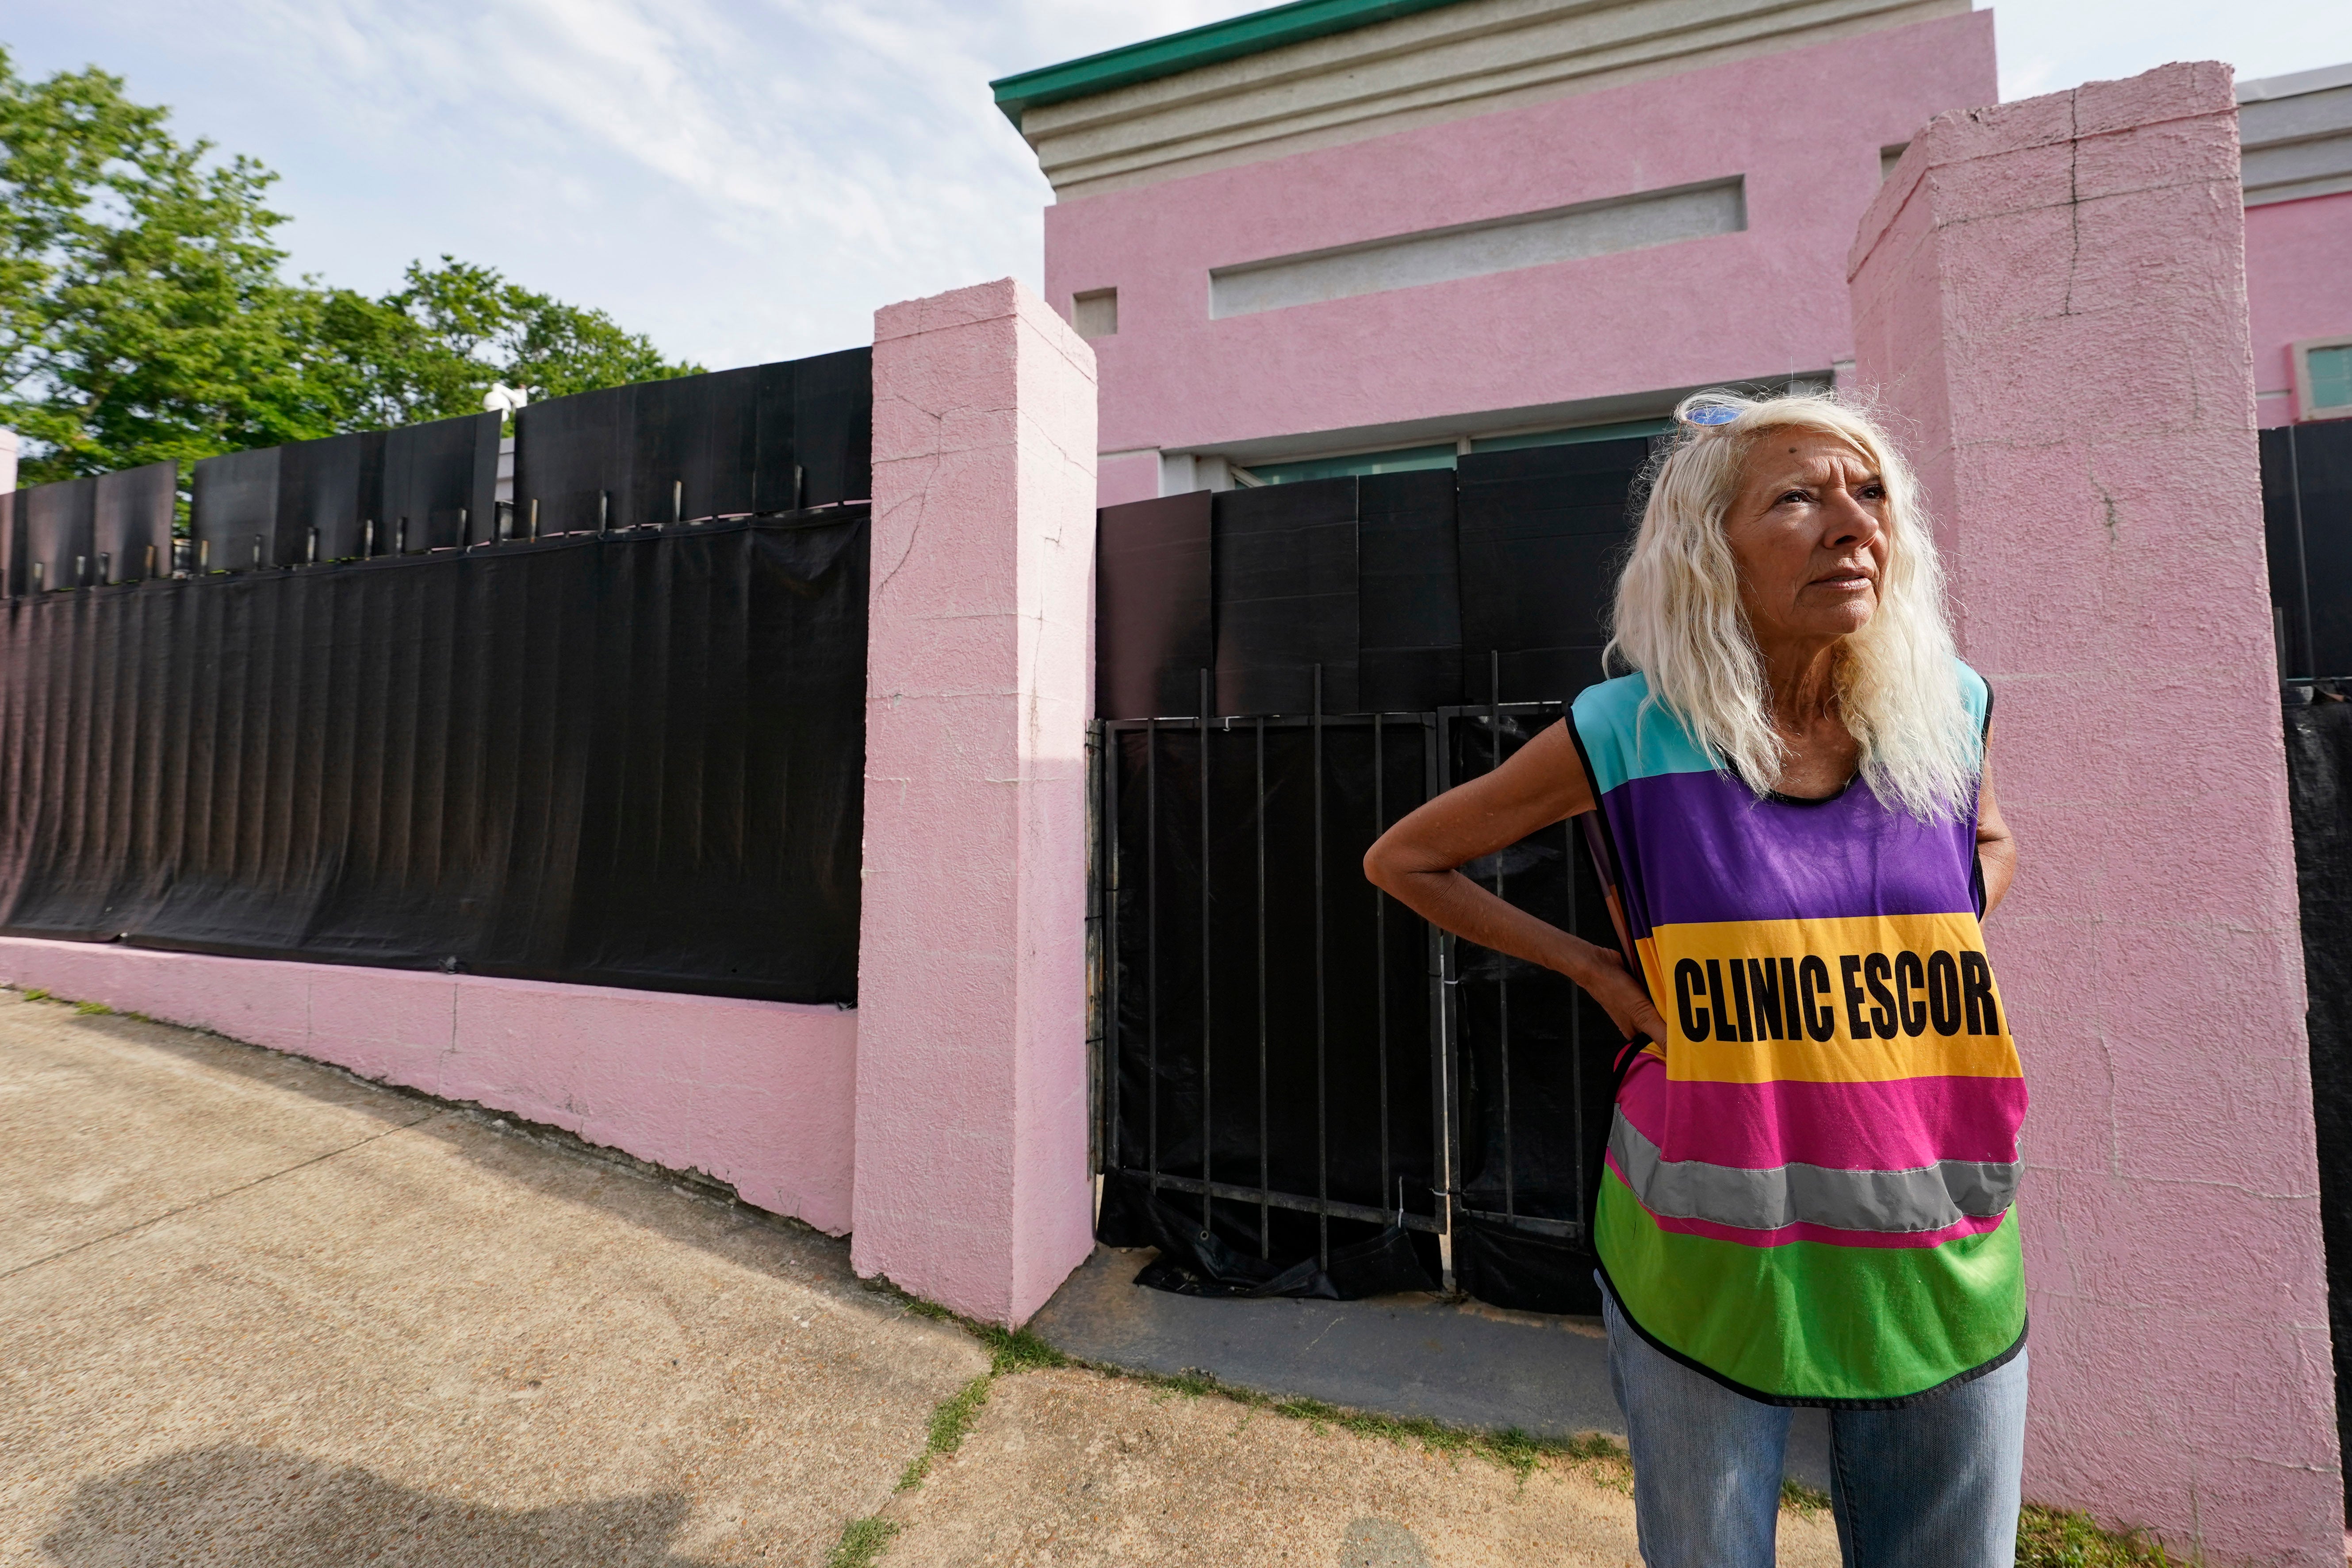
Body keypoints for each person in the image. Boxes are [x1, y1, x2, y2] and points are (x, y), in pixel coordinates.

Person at [1364, 391, 2026, 1568]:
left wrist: (1918, 932)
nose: (1850, 523)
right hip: (1712, 1252)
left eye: (1869, 493)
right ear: (1705, 547)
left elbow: (1984, 841)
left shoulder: (1950, 707)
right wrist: (1590, 968)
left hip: (1939, 1233)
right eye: (1797, 496)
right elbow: (1405, 858)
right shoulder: (1626, 733)